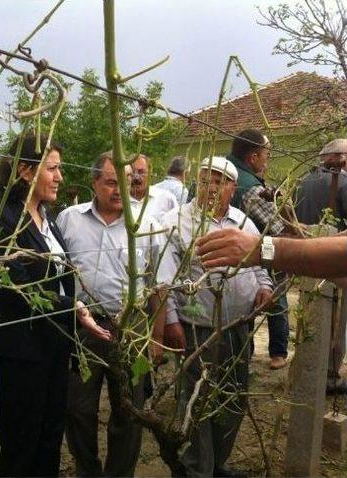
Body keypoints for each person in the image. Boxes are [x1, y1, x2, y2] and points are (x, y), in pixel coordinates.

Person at [0, 135, 111, 477]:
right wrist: (74, 307)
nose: (60, 177)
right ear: (25, 171)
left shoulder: (46, 218)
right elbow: (16, 287)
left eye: (60, 169)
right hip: (22, 354)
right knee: (21, 445)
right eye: (52, 169)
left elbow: (56, 276)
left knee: (50, 438)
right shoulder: (2, 221)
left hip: (54, 347)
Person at [157, 156, 273, 478]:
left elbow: (260, 262)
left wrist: (263, 287)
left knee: (232, 398)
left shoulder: (244, 222)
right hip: (197, 330)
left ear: (232, 188)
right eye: (206, 179)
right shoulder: (175, 221)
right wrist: (171, 320)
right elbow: (163, 278)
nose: (211, 187)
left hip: (238, 327)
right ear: (197, 181)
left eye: (220, 181)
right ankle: (197, 469)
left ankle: (217, 464)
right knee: (196, 403)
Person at [57, 151, 165, 477]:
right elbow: (57, 272)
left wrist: (156, 338)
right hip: (82, 326)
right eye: (109, 182)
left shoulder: (146, 225)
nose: (119, 190)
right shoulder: (69, 219)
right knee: (77, 408)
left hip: (130, 329)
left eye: (126, 182)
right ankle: (87, 470)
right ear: (94, 182)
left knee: (129, 410)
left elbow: (159, 285)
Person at [227, 129, 290, 370]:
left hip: (220, 253)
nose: (268, 158)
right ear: (253, 157)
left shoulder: (221, 171)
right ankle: (277, 353)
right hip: (254, 253)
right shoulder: (250, 186)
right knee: (276, 298)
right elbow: (276, 226)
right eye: (266, 153)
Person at [295, 138, 347, 393]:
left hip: (305, 261)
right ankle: (328, 377)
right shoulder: (343, 183)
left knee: (308, 318)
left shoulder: (303, 181)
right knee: (336, 323)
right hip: (335, 264)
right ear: (341, 159)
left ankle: (305, 369)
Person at [129, 153, 178, 221]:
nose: (136, 177)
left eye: (141, 172)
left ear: (150, 174)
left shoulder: (167, 199)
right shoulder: (118, 201)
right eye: (132, 172)